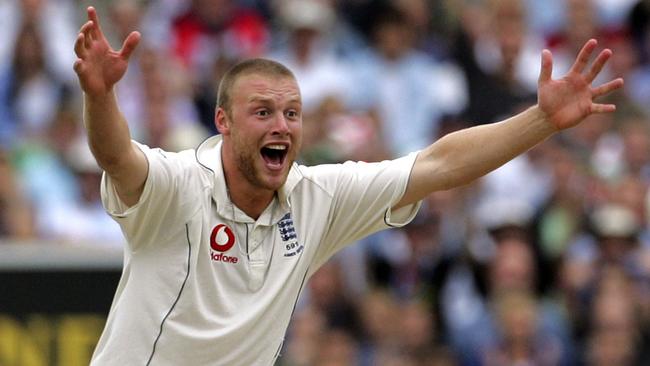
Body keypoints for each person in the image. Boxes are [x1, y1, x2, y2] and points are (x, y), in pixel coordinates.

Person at [72, 5, 623, 365]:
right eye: (262, 112)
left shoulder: (317, 196)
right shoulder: (179, 183)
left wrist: (541, 121)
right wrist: (99, 96)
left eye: (292, 113)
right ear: (224, 122)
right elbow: (117, 156)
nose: (282, 126)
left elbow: (438, 164)